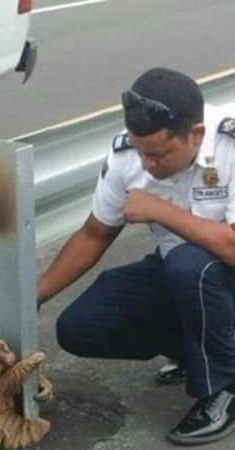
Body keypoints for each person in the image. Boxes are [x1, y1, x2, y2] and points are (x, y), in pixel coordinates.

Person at [36, 67, 235, 446]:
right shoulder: (129, 156)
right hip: (184, 274)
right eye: (140, 151)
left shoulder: (230, 144)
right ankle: (198, 351)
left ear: (195, 135)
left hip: (219, 272)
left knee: (188, 265)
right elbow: (94, 234)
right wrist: (36, 293)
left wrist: (159, 210)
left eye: (158, 154)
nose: (146, 164)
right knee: (80, 327)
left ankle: (225, 385)